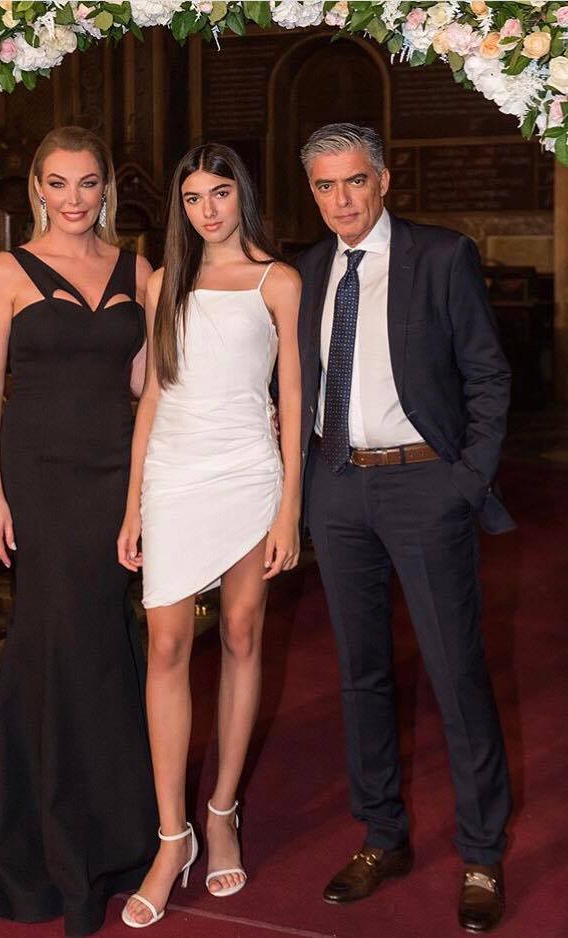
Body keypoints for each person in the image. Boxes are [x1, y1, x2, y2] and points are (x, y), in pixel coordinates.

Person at [0, 126, 158, 937]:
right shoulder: (6, 272)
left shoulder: (138, 272)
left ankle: (117, 831)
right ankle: (44, 834)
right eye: (58, 183)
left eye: (87, 183)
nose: (73, 199)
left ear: (106, 188)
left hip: (113, 476)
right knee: (52, 641)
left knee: (104, 642)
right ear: (37, 189)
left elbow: (147, 385)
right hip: (40, 480)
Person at [296, 123, 513, 934]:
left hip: (425, 484)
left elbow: (488, 374)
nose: (341, 200)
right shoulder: (307, 271)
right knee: (360, 674)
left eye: (354, 181)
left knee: (455, 671)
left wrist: (465, 480)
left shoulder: (441, 256)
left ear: (383, 180)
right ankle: (381, 836)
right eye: (325, 186)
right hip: (337, 486)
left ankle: (482, 853)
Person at [117, 143, 302, 928]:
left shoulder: (278, 280)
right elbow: (153, 396)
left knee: (241, 632)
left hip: (249, 470)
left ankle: (222, 809)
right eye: (193, 198)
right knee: (165, 644)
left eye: (219, 194)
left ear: (241, 195)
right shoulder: (164, 281)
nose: (207, 211)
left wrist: (290, 508)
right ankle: (173, 837)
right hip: (173, 471)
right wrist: (134, 504)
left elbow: (293, 398)